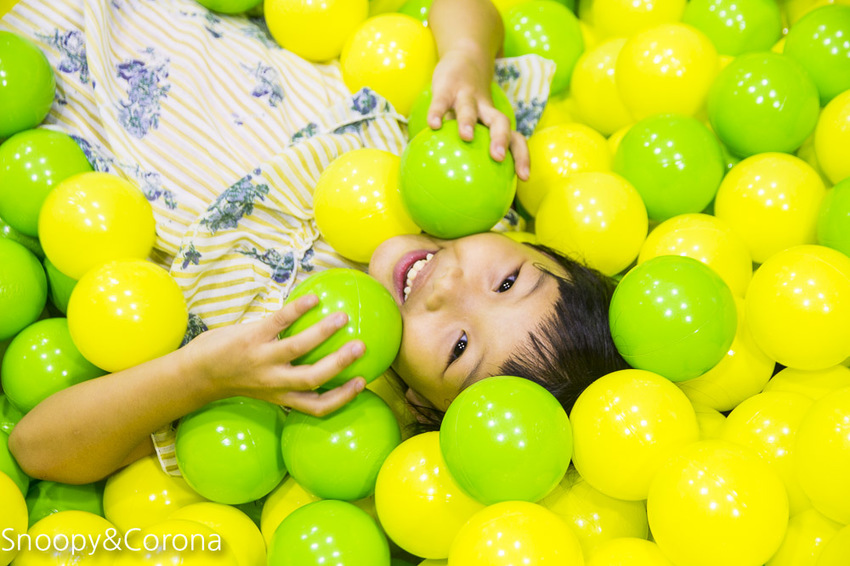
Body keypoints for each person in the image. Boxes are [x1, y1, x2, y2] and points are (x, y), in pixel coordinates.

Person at [5, 0, 627, 485]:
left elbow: (37, 446)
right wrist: (465, 57)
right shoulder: (461, 166)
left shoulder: (297, 374)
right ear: (531, 240)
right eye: (509, 281)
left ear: (419, 401)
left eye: (460, 347)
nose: (451, 288)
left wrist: (202, 376)